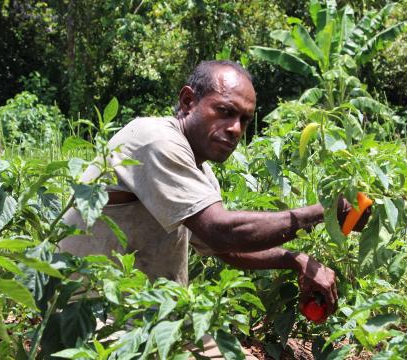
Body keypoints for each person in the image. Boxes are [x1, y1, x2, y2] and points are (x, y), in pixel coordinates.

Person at [59, 60, 369, 325]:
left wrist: (296, 260)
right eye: (224, 111)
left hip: (150, 316)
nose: (235, 128)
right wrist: (325, 211)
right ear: (188, 101)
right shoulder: (154, 139)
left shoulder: (200, 172)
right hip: (92, 317)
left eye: (244, 120)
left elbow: (225, 249)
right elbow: (222, 232)